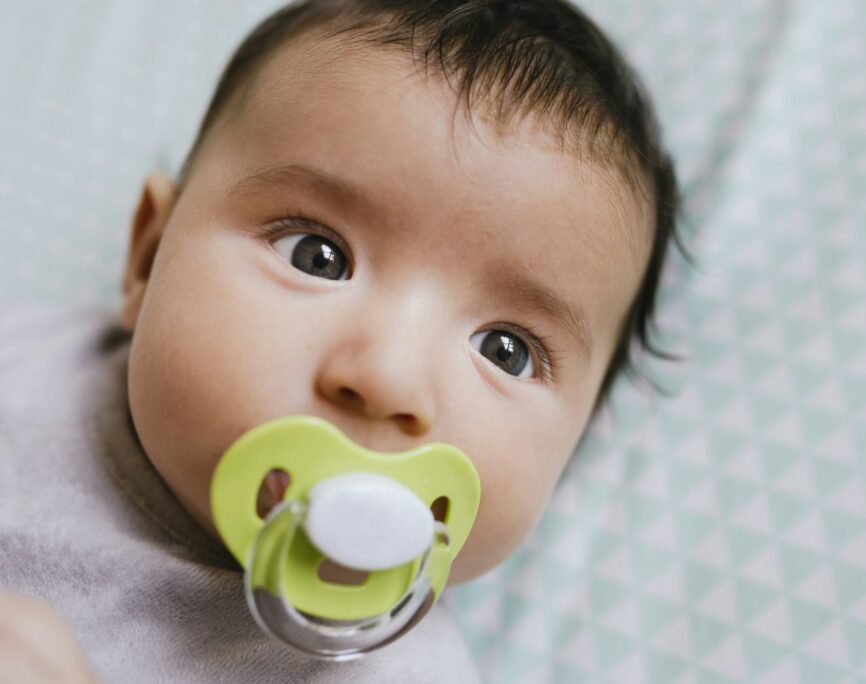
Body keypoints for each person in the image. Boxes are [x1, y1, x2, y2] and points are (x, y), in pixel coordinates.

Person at [0, 0, 683, 680]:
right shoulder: (25, 358)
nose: (388, 379)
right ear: (149, 258)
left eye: (506, 350)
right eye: (315, 256)